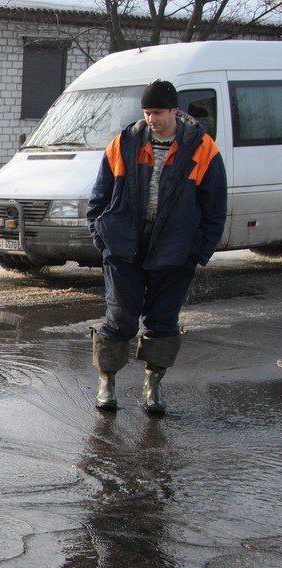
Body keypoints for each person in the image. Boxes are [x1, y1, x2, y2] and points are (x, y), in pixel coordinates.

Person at [87, 79, 227, 413]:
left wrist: (198, 250)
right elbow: (99, 196)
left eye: (159, 112)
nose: (152, 119)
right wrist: (101, 236)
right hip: (124, 248)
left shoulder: (203, 148)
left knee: (163, 321)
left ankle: (154, 385)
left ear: (175, 111)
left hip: (175, 251)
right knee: (119, 318)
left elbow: (215, 207)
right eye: (147, 112)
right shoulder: (124, 144)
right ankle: (107, 381)